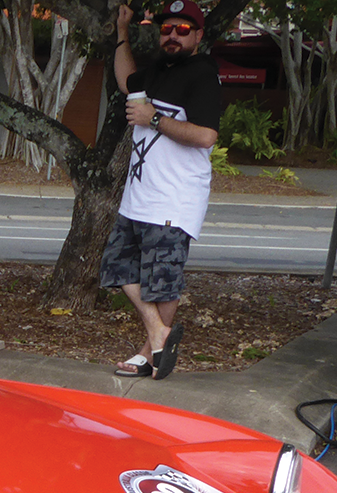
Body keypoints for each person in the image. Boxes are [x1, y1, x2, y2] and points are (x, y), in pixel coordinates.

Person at [101, 0, 222, 381]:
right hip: (138, 197)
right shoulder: (155, 70)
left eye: (183, 30)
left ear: (198, 36)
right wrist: (123, 31)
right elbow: (127, 81)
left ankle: (150, 353)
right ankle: (158, 336)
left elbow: (205, 136)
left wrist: (153, 118)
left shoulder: (202, 74)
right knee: (115, 266)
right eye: (167, 28)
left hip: (174, 199)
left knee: (162, 283)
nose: (172, 35)